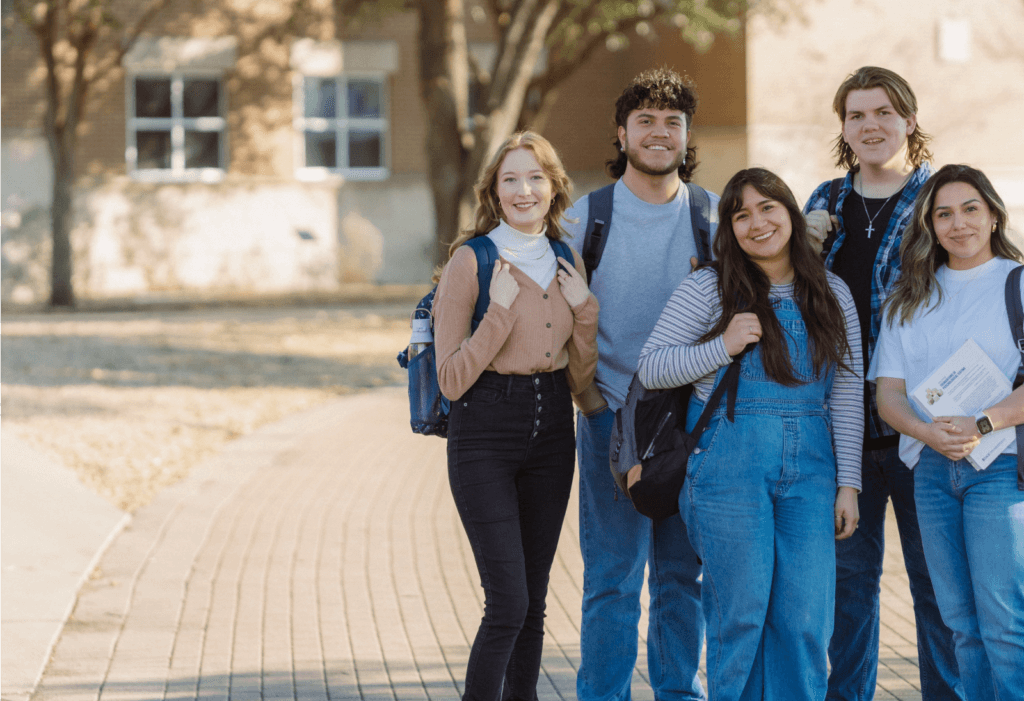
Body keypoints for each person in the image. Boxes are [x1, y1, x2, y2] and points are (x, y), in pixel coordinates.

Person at [638, 167, 862, 698]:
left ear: (789, 211)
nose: (757, 223)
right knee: (740, 616)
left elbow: (848, 392)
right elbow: (651, 367)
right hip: (726, 468)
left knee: (806, 619)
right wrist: (723, 346)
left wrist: (848, 482)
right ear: (729, 228)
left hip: (812, 470)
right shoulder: (710, 287)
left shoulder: (832, 292)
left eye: (768, 208)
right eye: (742, 215)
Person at [803, 66, 961, 700]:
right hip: (843, 428)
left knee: (939, 590)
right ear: (843, 127)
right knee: (848, 591)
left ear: (909, 120)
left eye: (883, 113)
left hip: (924, 426)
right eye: (857, 115)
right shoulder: (823, 202)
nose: (871, 126)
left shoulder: (941, 200)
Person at [560, 67, 717, 701]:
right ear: (621, 134)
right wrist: (590, 401)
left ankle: (678, 692)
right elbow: (556, 319)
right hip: (609, 417)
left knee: (682, 577)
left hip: (690, 424)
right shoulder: (586, 218)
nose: (659, 132)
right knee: (613, 581)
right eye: (645, 121)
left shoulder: (710, 213)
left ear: (686, 136)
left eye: (672, 123)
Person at [432, 131, 599, 701]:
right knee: (508, 602)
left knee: (533, 600)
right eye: (511, 179)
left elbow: (579, 376)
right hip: (484, 435)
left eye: (535, 177)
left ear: (554, 186)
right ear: (494, 192)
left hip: (553, 431)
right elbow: (450, 379)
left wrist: (586, 312)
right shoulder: (470, 261)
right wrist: (497, 314)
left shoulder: (563, 257)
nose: (524, 190)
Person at [871, 164, 1024, 701]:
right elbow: (887, 392)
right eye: (943, 214)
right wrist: (925, 433)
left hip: (1000, 470)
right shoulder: (909, 297)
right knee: (960, 623)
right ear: (929, 225)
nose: (958, 224)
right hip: (932, 471)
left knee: (1005, 624)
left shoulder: (1018, 283)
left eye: (969, 209)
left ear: (992, 214)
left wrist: (984, 422)